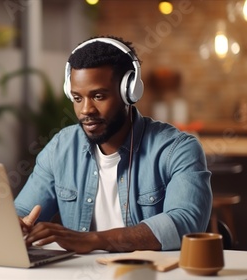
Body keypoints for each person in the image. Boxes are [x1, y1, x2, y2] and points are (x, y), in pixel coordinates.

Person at [14, 36, 212, 254]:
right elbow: (24, 211)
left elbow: (185, 223)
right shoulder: (61, 148)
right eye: (77, 98)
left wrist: (93, 240)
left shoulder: (177, 149)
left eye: (98, 96)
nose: (86, 110)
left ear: (129, 92)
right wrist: (16, 225)